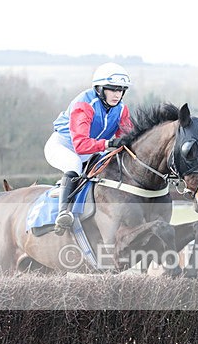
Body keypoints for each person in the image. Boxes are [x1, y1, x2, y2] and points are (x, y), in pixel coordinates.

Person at [44, 62, 134, 230]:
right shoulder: (84, 104)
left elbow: (127, 139)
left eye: (121, 90)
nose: (117, 94)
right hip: (64, 147)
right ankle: (63, 212)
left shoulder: (121, 110)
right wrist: (108, 143)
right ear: (99, 89)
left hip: (92, 151)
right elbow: (80, 145)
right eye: (112, 89)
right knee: (74, 164)